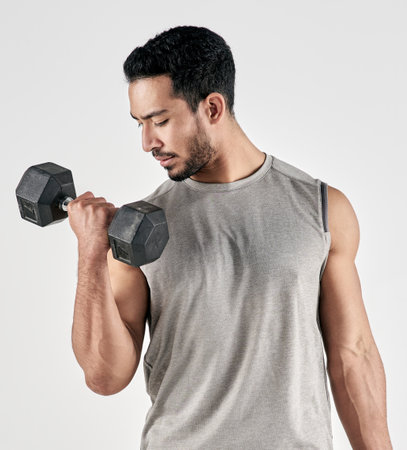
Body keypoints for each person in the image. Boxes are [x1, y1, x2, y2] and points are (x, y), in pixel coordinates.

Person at [68, 25, 393, 449]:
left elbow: (353, 354)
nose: (148, 141)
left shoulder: (321, 209)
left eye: (160, 120)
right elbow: (105, 377)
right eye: (140, 124)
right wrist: (90, 253)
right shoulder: (138, 232)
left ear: (214, 108)